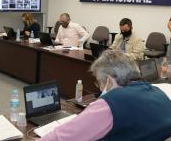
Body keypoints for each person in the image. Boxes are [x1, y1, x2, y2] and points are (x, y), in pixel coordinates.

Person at [38, 50, 171, 141]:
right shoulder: (158, 92)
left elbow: (61, 138)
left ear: (109, 81)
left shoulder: (111, 104)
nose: (100, 88)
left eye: (98, 82)